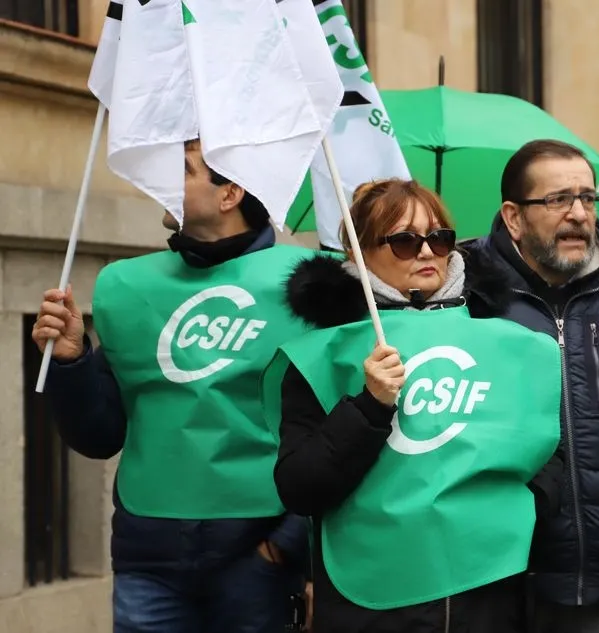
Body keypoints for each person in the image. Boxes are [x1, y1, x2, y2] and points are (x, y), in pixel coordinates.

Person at [31, 139, 313, 633]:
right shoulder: (128, 287)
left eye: (183, 169)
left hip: (257, 558)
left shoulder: (309, 287)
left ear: (230, 193)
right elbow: (99, 436)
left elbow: (335, 434)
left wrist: (285, 547)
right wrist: (72, 361)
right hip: (149, 556)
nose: (161, 180)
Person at [270, 178, 564, 633]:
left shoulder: (508, 342)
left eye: (439, 238)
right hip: (372, 601)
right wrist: (369, 407)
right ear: (358, 254)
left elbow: (547, 452)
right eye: (405, 241)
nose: (427, 252)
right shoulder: (325, 354)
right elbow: (300, 487)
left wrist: (525, 510)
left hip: (487, 592)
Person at [464, 139, 599, 633]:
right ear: (514, 217)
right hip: (495, 576)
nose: (580, 214)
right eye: (559, 199)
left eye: (588, 197)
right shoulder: (466, 297)